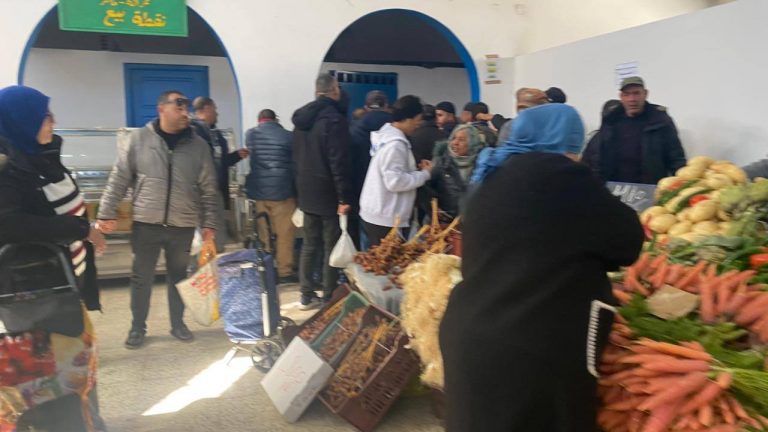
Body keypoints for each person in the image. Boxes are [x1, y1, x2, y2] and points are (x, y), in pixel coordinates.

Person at [440, 103, 644, 431]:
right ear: (564, 141)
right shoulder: (563, 175)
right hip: (529, 350)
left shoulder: (492, 175)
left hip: (470, 338)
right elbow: (627, 242)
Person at [0, 85, 107, 431]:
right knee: (55, 380)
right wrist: (79, 229)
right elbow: (8, 225)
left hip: (66, 286)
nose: (54, 122)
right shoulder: (7, 169)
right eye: (46, 116)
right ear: (23, 121)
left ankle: (88, 419)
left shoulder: (41, 155)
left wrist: (83, 231)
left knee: (79, 363)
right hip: (37, 296)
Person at [98, 90, 219, 349]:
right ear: (161, 108)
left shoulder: (198, 146)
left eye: (186, 108)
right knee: (141, 279)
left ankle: (178, 324)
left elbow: (209, 189)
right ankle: (137, 327)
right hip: (146, 223)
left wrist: (209, 223)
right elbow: (119, 178)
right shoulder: (138, 140)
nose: (185, 113)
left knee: (179, 277)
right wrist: (106, 213)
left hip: (182, 225)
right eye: (179, 107)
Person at [292, 73, 352, 309]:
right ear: (334, 91)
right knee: (330, 244)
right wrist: (343, 197)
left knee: (309, 244)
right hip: (328, 192)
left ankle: (306, 295)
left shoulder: (300, 121)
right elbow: (338, 162)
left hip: (306, 190)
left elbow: (295, 158)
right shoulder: (334, 120)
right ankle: (328, 296)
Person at [581, 76, 687, 184]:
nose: (632, 99)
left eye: (636, 93)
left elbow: (676, 159)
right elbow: (597, 155)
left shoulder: (661, 121)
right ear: (621, 97)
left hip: (650, 188)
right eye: (627, 94)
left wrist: (684, 185)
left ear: (645, 94)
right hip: (614, 188)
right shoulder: (611, 120)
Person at [359, 95, 432, 246]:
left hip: (376, 211)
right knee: (388, 260)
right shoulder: (396, 145)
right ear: (407, 118)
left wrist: (413, 170)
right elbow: (395, 182)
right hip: (387, 217)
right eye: (418, 119)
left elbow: (391, 171)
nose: (419, 124)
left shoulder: (386, 136)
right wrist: (425, 174)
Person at [245, 109, 297, 284]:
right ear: (276, 119)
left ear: (259, 120)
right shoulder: (288, 136)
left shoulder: (250, 135)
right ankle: (284, 272)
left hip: (260, 193)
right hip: (283, 192)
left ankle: (266, 271)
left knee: (264, 235)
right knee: (284, 235)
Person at [191, 96, 249, 248]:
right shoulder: (193, 132)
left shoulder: (214, 134)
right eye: (215, 109)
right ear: (207, 109)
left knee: (216, 236)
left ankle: (213, 259)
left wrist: (237, 156)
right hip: (202, 193)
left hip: (216, 191)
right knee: (206, 237)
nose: (217, 113)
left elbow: (220, 161)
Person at [349, 90, 392, 250]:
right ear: (386, 105)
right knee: (390, 248)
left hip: (361, 191)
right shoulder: (396, 128)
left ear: (366, 107)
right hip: (389, 196)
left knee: (365, 242)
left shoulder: (354, 129)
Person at [428, 124, 483, 218]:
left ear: (472, 143)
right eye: (453, 138)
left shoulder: (482, 164)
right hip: (446, 220)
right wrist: (433, 208)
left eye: (461, 140)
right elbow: (427, 189)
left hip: (474, 220)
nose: (455, 143)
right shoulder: (441, 163)